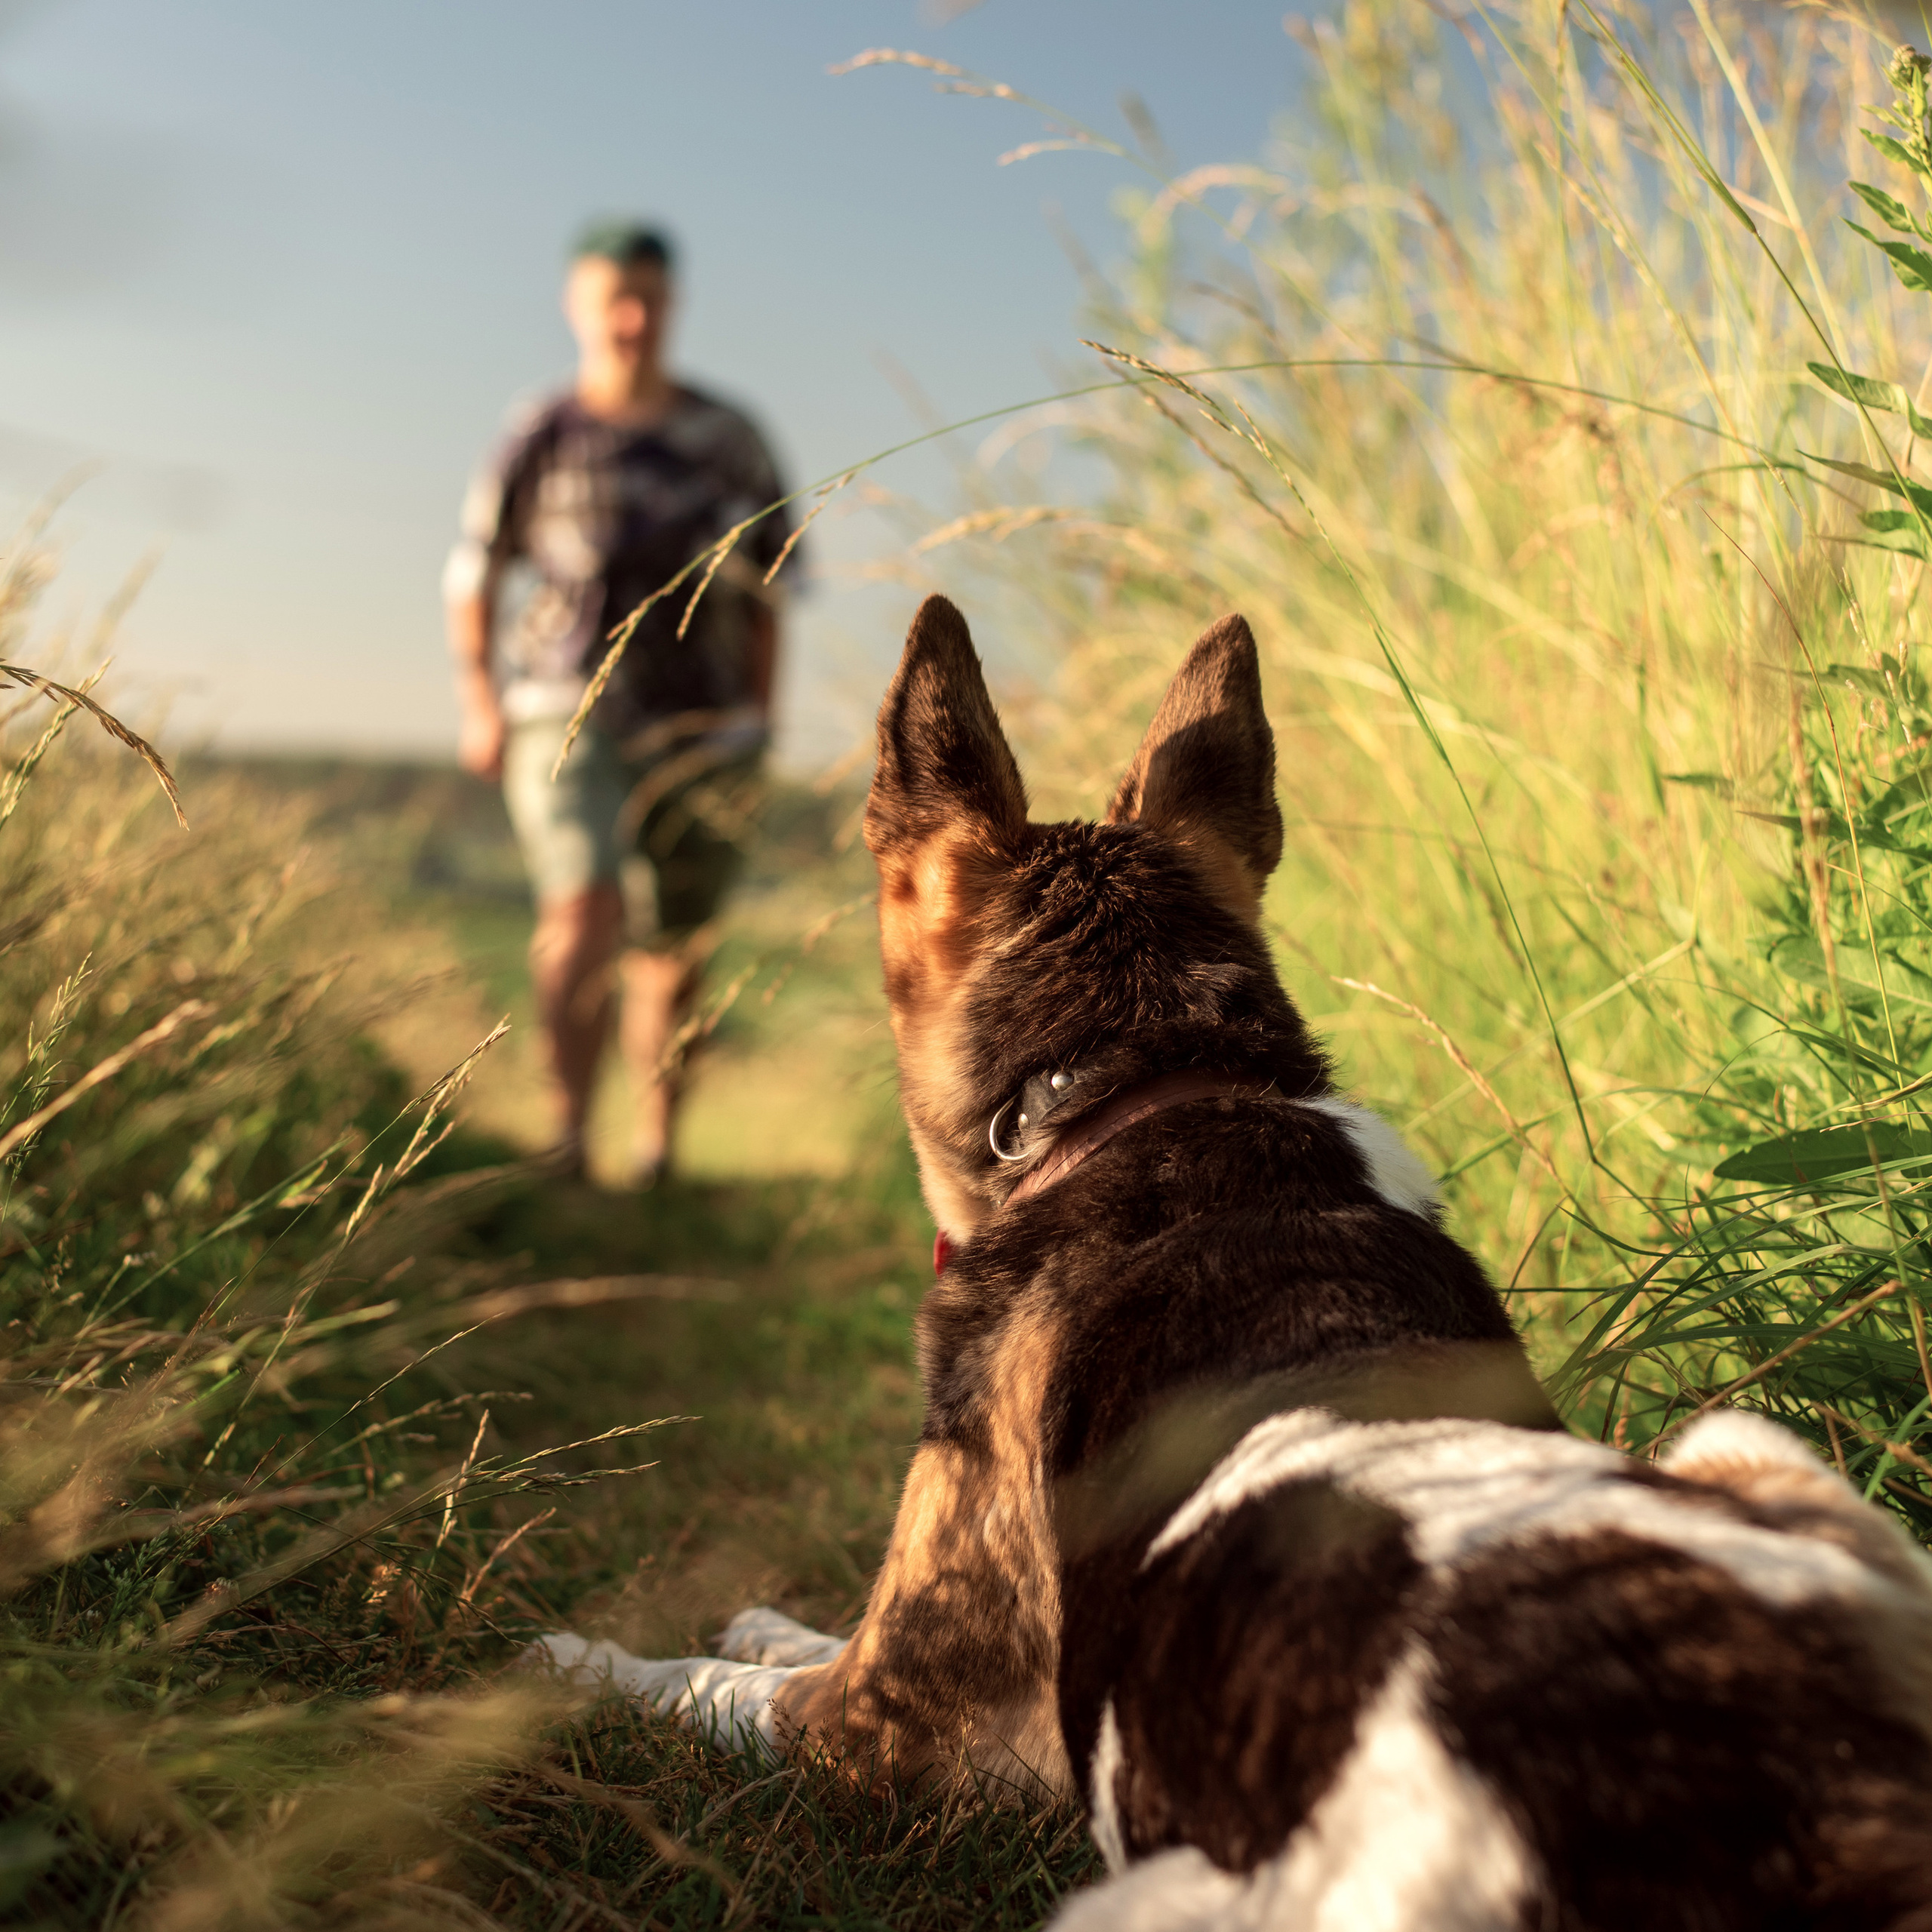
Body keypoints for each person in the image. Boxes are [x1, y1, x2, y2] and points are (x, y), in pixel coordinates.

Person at [444, 220, 798, 1183]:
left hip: (705, 725)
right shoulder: (541, 433)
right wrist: (479, 699)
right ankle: (565, 1138)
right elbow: (471, 576)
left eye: (651, 298)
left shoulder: (730, 438)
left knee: (674, 948)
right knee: (582, 906)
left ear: (671, 306)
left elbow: (775, 593)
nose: (634, 319)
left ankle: (657, 1151)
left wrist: (761, 723)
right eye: (615, 299)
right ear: (579, 306)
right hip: (563, 710)